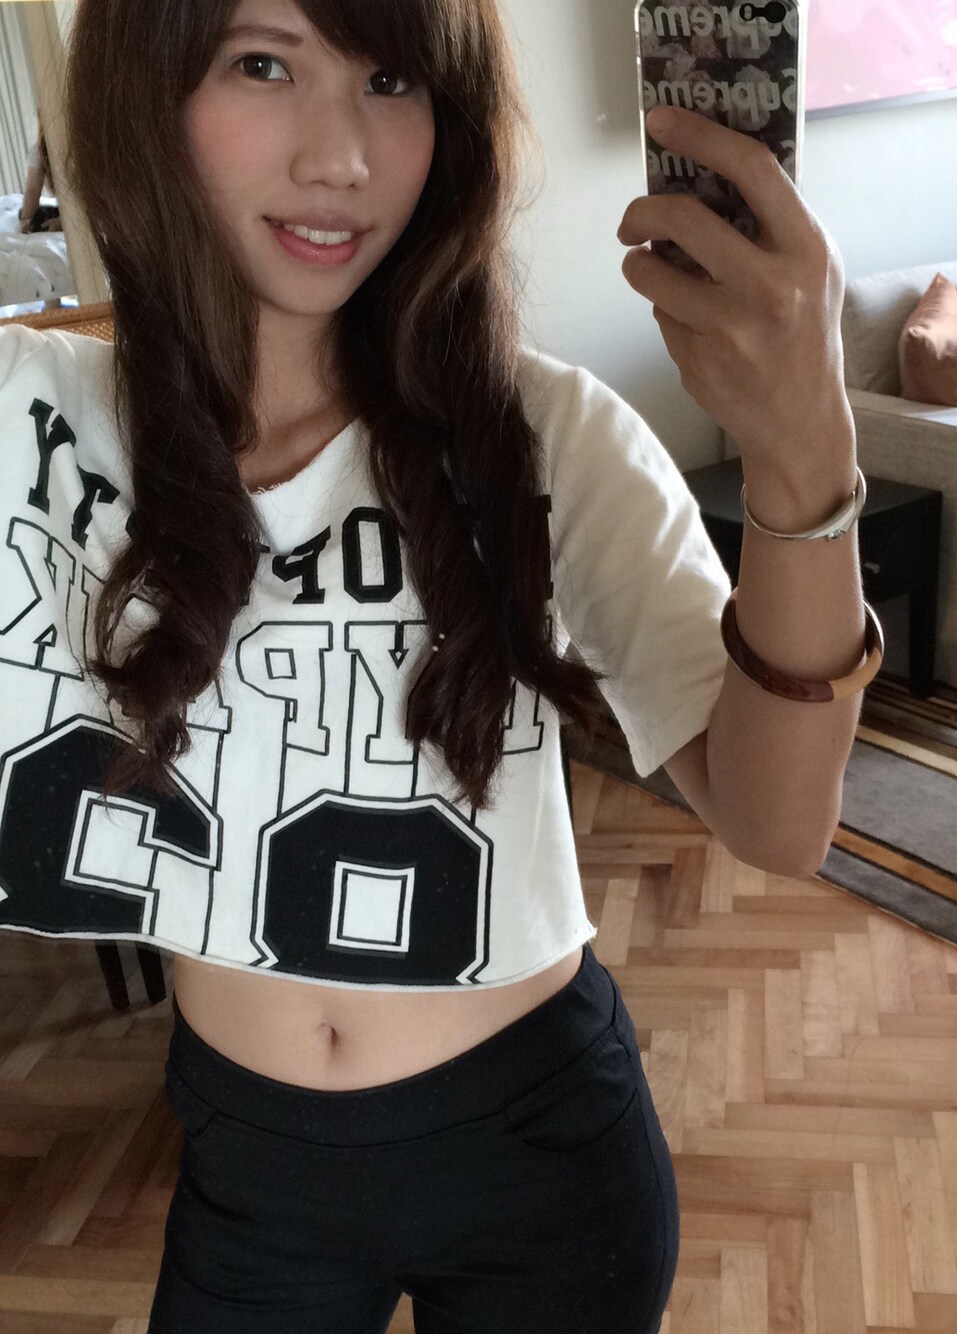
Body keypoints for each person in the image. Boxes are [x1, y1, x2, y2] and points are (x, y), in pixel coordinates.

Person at [0, 0, 882, 1330]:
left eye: (394, 79)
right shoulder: (35, 421)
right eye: (263, 63)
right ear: (147, 88)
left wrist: (805, 462)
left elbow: (780, 821)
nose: (341, 158)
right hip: (251, 1166)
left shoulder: (548, 432)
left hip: (541, 1154)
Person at [18, 124, 62, 234]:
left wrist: (61, 223)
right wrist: (26, 220)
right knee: (34, 216)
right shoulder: (39, 150)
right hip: (64, 209)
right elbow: (32, 190)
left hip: (88, 211)